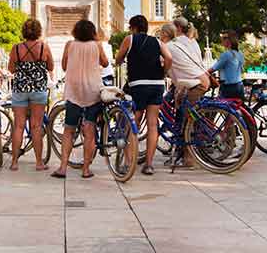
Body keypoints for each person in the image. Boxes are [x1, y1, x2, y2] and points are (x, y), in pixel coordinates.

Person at [115, 14, 172, 176]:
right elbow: (169, 57)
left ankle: (128, 162)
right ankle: (148, 164)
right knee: (153, 124)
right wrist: (163, 72)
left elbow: (119, 59)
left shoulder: (130, 39)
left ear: (133, 27)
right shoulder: (157, 41)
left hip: (138, 86)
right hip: (156, 85)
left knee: (133, 124)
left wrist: (119, 61)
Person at [52, 19, 109, 180]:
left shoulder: (70, 45)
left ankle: (63, 167)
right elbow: (105, 63)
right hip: (92, 91)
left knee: (69, 130)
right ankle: (85, 169)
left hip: (74, 91)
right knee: (89, 131)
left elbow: (63, 66)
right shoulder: (96, 45)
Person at [8, 18, 55, 171]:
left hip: (20, 89)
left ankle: (14, 162)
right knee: (36, 126)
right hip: (38, 90)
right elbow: (50, 66)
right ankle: (39, 163)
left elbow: (11, 69)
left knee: (19, 126)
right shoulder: (44, 47)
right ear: (38, 31)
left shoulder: (16, 48)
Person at [166, 18, 209, 167]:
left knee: (187, 120)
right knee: (187, 116)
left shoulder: (173, 44)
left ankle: (189, 157)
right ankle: (183, 151)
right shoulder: (192, 42)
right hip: (197, 80)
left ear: (177, 28)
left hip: (194, 82)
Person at [210, 30, 245, 100]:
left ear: (228, 41)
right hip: (239, 86)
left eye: (223, 38)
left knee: (220, 108)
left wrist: (203, 73)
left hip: (229, 88)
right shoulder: (240, 53)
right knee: (237, 109)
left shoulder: (226, 55)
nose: (221, 40)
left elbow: (213, 69)